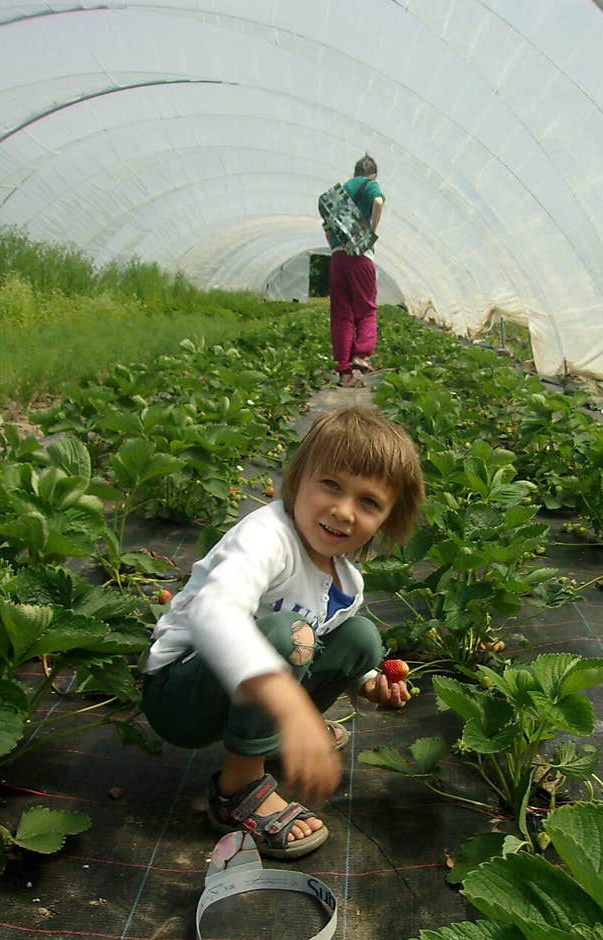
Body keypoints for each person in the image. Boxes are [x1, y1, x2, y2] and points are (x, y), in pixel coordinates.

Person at [141, 404, 424, 859]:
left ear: (386, 522)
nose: (343, 510)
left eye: (368, 502)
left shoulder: (346, 580)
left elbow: (333, 638)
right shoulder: (267, 537)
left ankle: (267, 738)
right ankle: (237, 788)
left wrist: (368, 683)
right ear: (298, 480)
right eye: (330, 485)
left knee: (361, 639)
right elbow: (214, 611)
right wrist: (289, 705)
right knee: (290, 634)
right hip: (180, 694)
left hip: (240, 691)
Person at [324, 154, 384, 387]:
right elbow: (378, 202)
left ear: (354, 171)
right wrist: (370, 231)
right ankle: (362, 354)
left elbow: (327, 229)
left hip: (338, 257)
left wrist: (337, 245)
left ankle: (344, 372)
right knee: (366, 310)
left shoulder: (337, 193)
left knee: (342, 314)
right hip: (361, 257)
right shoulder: (370, 184)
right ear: (373, 173)